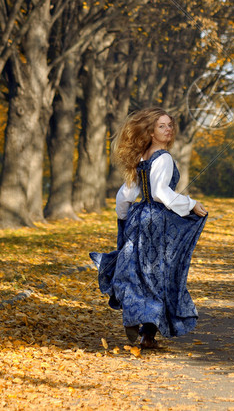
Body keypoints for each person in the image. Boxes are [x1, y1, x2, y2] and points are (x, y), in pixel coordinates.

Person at [90, 107, 207, 349]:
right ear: (151, 131)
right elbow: (160, 193)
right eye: (162, 126)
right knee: (158, 275)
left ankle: (137, 319)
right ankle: (147, 334)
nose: (168, 130)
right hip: (158, 223)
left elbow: (126, 194)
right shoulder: (163, 157)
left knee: (136, 271)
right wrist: (192, 204)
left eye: (170, 125)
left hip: (138, 218)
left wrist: (123, 218)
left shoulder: (142, 156)